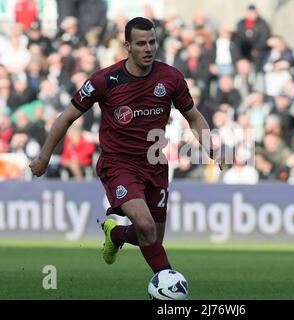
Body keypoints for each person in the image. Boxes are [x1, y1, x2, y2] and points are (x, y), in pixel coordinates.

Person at [30, 17, 222, 275]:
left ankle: (116, 234)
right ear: (127, 46)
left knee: (152, 235)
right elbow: (66, 118)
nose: (149, 48)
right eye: (141, 43)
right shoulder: (105, 81)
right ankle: (169, 281)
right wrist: (44, 157)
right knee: (145, 225)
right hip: (119, 165)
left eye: (152, 42)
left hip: (155, 163)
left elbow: (194, 116)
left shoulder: (171, 78)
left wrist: (211, 147)